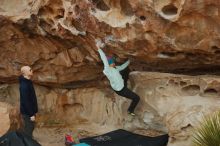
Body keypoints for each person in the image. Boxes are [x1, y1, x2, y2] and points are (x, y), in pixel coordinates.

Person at [95, 39, 140, 116]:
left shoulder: (115, 68)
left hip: (120, 86)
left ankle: (126, 83)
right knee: (136, 98)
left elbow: (122, 66)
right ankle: (130, 110)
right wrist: (99, 49)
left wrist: (129, 60)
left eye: (113, 62)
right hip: (121, 90)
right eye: (112, 62)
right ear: (109, 64)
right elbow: (104, 60)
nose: (114, 63)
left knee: (125, 71)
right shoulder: (108, 70)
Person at [19, 66, 38, 138]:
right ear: (25, 73)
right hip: (27, 113)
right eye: (30, 70)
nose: (32, 70)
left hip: (30, 111)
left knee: (31, 127)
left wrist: (34, 111)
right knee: (28, 129)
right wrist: (31, 114)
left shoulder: (28, 82)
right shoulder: (24, 85)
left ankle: (29, 140)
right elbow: (25, 101)